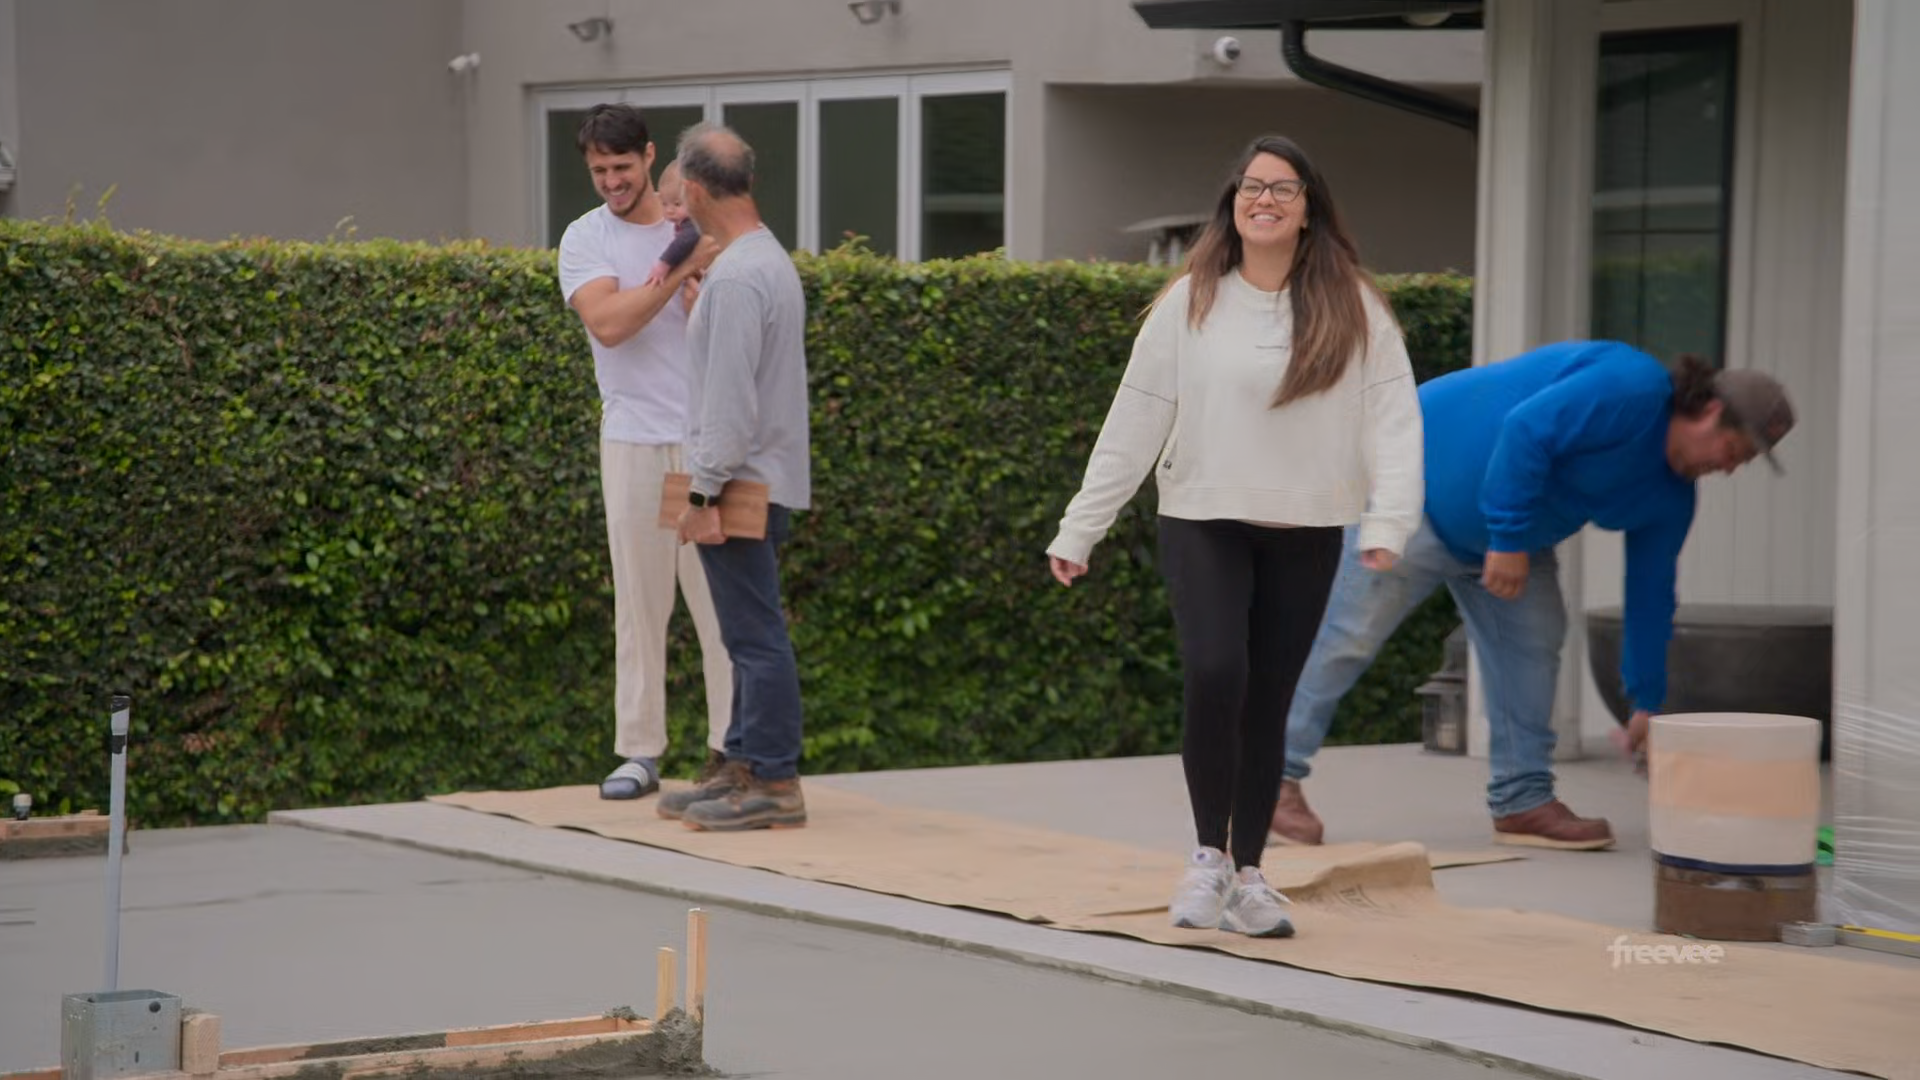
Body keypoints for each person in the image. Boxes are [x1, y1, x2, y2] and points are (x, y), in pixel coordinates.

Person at [1046, 135, 1424, 938]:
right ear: (1233, 202)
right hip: (1203, 517)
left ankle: (1250, 874)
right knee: (1217, 671)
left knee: (1269, 701)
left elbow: (1394, 419)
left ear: (1309, 209)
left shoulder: (1354, 304)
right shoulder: (1191, 301)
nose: (1264, 200)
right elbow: (1136, 417)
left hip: (1308, 526)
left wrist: (1389, 519)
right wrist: (1082, 526)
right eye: (1252, 186)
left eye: (1283, 189)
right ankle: (1205, 858)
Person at [1271, 345, 1796, 851]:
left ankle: (1521, 799)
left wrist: (1646, 703)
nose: (1730, 468)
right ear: (1711, 411)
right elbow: (1525, 429)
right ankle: (1271, 781)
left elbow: (1651, 594)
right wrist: (1507, 538)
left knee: (1534, 643)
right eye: (1735, 452)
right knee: (1346, 636)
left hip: (1510, 536)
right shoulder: (1629, 387)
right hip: (1413, 488)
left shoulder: (1671, 498)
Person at [555, 103, 735, 802]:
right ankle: (639, 752)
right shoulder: (585, 237)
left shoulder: (700, 223)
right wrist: (680, 267)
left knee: (726, 605)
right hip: (632, 440)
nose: (611, 182)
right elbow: (608, 325)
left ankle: (732, 751)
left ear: (650, 156)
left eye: (622, 167)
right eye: (599, 170)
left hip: (709, 446)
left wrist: (696, 273)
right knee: (639, 603)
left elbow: (733, 323)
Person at [657, 122, 814, 832]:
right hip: (759, 476)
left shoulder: (739, 276)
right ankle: (744, 764)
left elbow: (728, 403)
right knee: (748, 634)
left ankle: (773, 780)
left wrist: (702, 492)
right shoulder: (762, 261)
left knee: (754, 637)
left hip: (738, 482)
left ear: (693, 190)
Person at [644, 161, 702, 289]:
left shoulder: (694, 223)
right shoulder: (684, 222)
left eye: (677, 204)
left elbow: (684, 241)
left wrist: (663, 264)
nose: (669, 211)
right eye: (664, 204)